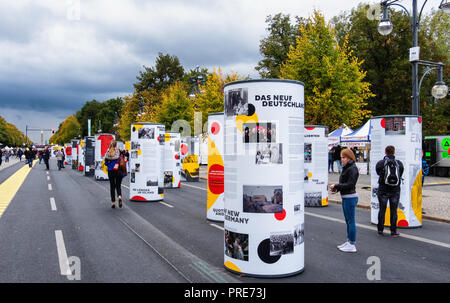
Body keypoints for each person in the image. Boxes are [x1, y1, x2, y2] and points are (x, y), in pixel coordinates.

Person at [330, 148, 359, 253]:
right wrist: (337, 189)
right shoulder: (348, 167)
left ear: (349, 157)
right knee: (348, 221)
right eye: (341, 157)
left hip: (350, 198)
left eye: (344, 157)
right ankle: (349, 241)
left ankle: (352, 243)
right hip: (347, 197)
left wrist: (337, 186)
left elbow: (350, 184)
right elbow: (346, 185)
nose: (342, 159)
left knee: (351, 222)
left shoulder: (352, 168)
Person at [375, 145, 404, 237]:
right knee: (394, 211)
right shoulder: (399, 163)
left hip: (383, 189)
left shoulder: (380, 163)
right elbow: (400, 174)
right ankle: (393, 231)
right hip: (395, 190)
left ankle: (380, 231)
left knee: (382, 210)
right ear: (394, 152)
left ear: (385, 152)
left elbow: (378, 173)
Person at [105, 140, 123, 209]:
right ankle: (119, 196)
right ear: (116, 145)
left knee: (112, 186)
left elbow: (106, 163)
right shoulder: (119, 152)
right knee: (118, 186)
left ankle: (113, 203)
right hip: (118, 170)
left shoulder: (108, 152)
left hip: (110, 171)